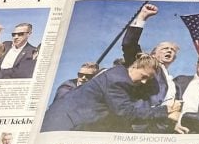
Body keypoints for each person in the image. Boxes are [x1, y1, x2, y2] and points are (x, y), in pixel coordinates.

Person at [41, 53, 182, 132]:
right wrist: (166, 111)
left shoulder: (118, 73)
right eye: (144, 76)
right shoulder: (118, 81)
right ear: (134, 66)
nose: (144, 82)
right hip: (65, 126)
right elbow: (126, 113)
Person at [122, 3, 179, 106]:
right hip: (144, 118)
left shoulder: (170, 78)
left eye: (172, 50)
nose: (169, 51)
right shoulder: (145, 64)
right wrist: (142, 16)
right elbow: (129, 44)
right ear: (153, 53)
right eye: (165, 48)